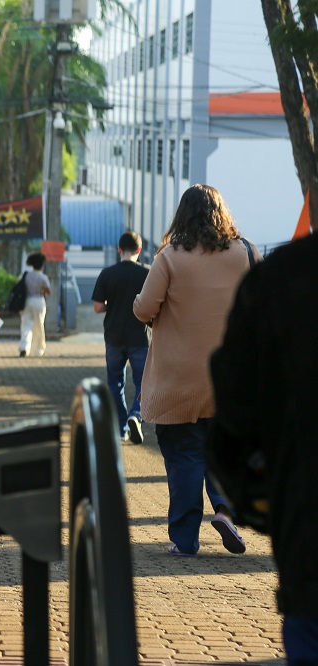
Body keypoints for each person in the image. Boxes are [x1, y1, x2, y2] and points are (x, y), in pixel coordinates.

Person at [133, 184, 260, 557]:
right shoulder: (248, 253)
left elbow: (143, 310)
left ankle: (185, 540)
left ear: (182, 215)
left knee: (185, 457)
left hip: (179, 380)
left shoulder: (170, 257)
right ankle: (225, 511)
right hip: (231, 379)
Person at [209, 232, 318, 664]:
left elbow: (235, 411)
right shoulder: (250, 256)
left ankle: (186, 532)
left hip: (309, 533)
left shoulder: (285, 277)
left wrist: (260, 502)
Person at [91, 231, 151, 443]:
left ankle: (121, 427)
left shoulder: (107, 274)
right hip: (140, 337)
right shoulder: (147, 274)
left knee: (115, 382)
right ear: (139, 250)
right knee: (144, 383)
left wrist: (113, 305)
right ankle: (136, 414)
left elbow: (98, 307)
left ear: (119, 249)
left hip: (114, 337)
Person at [18, 253, 51, 358]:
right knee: (39, 325)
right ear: (42, 265)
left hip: (26, 301)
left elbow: (19, 286)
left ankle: (24, 347)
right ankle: (38, 350)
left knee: (26, 325)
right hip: (39, 301)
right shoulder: (43, 277)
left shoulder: (25, 275)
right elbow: (48, 291)